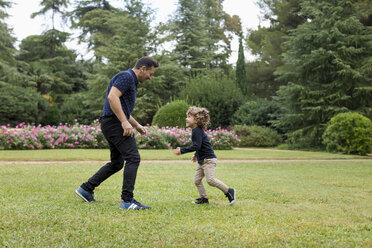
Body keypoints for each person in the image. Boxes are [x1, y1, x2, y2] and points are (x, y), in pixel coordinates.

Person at [75, 56, 159, 210]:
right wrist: (124, 122)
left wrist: (137, 125)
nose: (150, 78)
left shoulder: (130, 81)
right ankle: (127, 201)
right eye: (150, 73)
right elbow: (112, 97)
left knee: (117, 163)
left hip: (110, 123)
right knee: (133, 158)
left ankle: (86, 189)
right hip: (114, 124)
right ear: (143, 69)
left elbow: (122, 109)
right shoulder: (126, 76)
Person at [173, 106, 236, 205]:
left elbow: (196, 145)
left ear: (197, 120)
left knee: (210, 180)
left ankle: (229, 191)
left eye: (189, 117)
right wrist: (195, 155)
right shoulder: (195, 131)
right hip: (202, 160)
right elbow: (200, 146)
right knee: (197, 180)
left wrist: (182, 150)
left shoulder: (197, 131)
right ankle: (204, 199)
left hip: (209, 160)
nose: (186, 118)